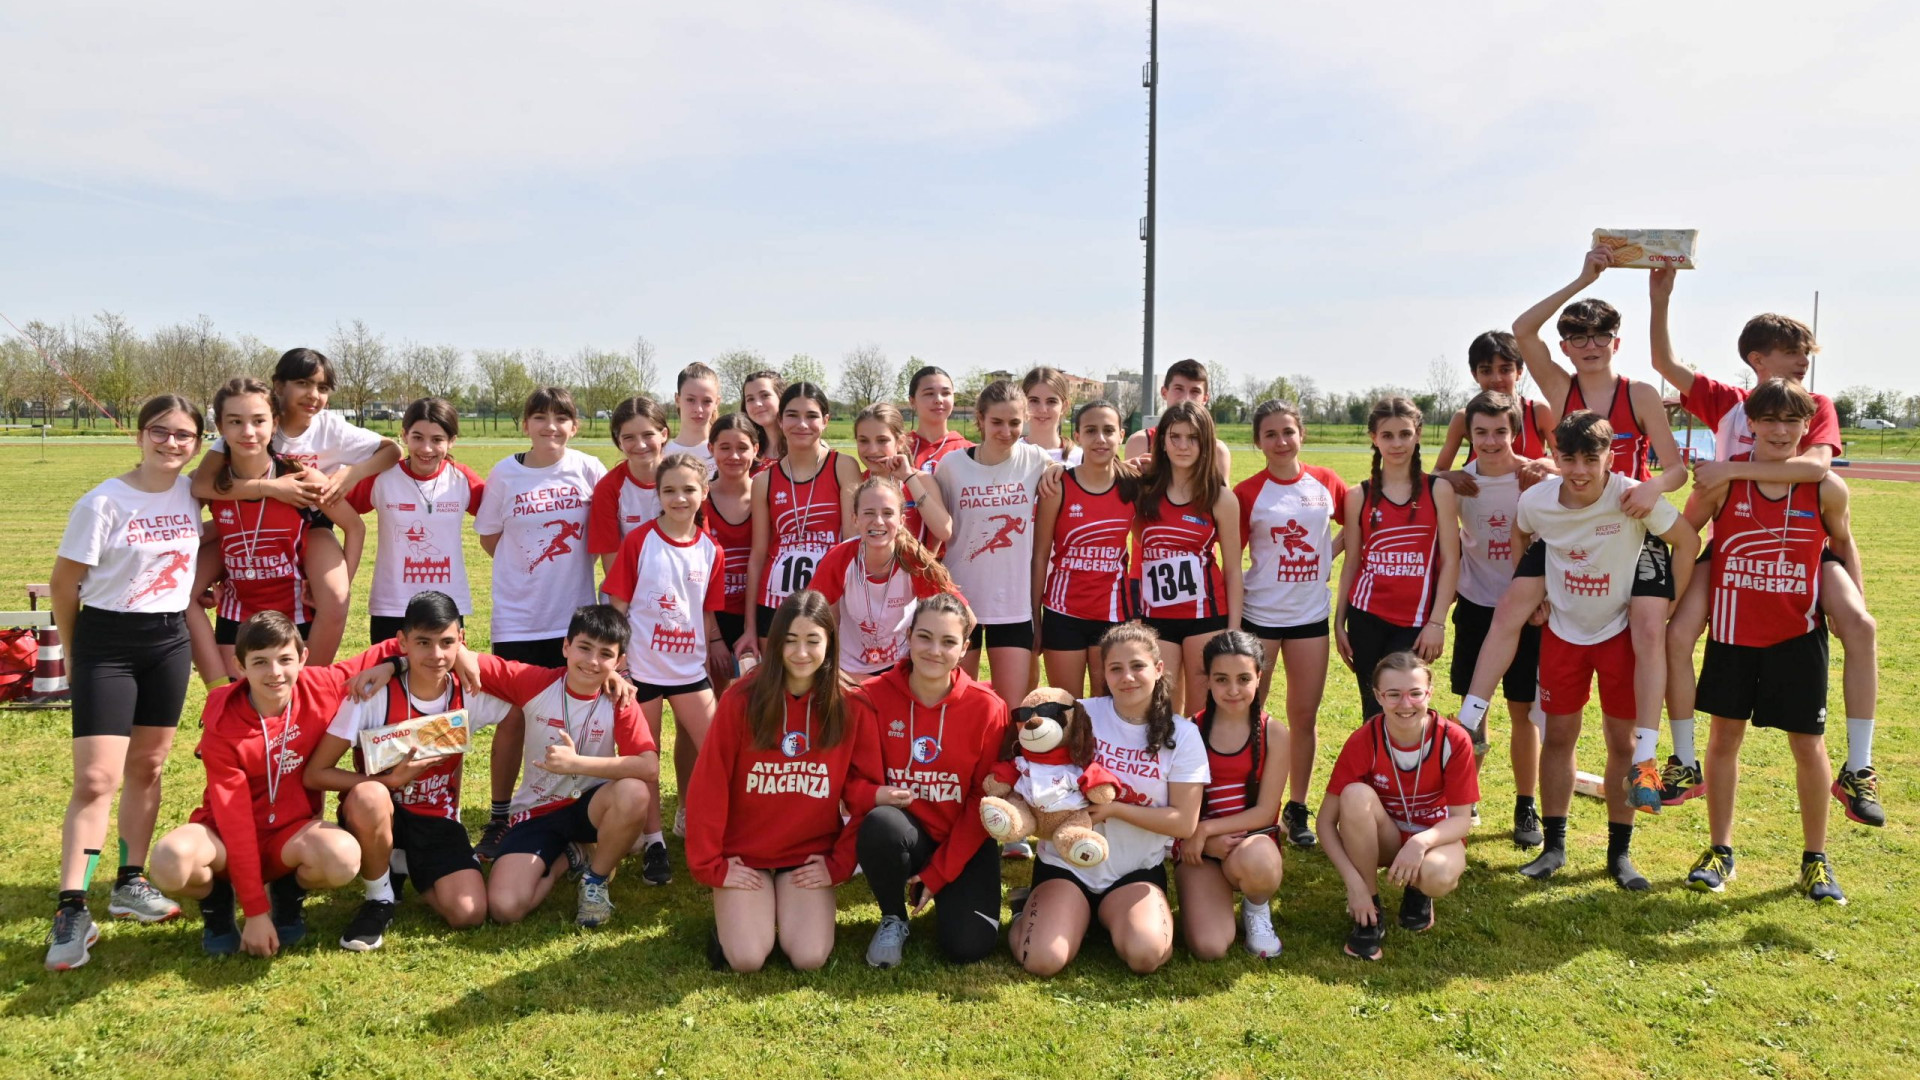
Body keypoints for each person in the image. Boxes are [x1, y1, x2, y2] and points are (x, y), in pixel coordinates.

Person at [1648, 273, 1882, 826]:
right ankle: (1682, 759)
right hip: (1731, 536)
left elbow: (1816, 466)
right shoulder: (1728, 403)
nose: (1804, 364)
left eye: (1806, 355)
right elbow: (1663, 361)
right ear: (1758, 359)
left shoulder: (1816, 404)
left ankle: (1860, 766)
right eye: (1792, 354)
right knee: (1677, 633)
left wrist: (1729, 465)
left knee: (1861, 626)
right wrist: (1661, 296)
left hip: (1801, 539)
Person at [1481, 411, 1698, 890]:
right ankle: (1554, 847)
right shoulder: (1538, 499)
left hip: (1620, 634)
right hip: (1563, 631)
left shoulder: (1630, 496)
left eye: (1590, 458)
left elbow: (1686, 540)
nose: (1579, 469)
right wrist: (1532, 591)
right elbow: (1519, 535)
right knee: (1559, 737)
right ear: (1555, 456)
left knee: (1621, 743)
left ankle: (1619, 854)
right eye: (1569, 457)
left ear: (1610, 457)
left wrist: (1669, 604)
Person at [1514, 247, 1691, 799]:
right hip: (1573, 534)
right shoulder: (1560, 386)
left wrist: (1652, 485)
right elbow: (1523, 329)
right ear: (1566, 346)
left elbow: (1677, 466)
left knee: (1647, 635)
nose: (1589, 345)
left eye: (1600, 335)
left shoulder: (1638, 393)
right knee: (1519, 614)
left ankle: (1644, 757)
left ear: (1617, 341)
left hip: (1630, 528)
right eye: (1578, 337)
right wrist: (1585, 277)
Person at [44, 395, 206, 971]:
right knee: (95, 778)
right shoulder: (103, 502)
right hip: (105, 643)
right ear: (138, 436)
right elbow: (65, 584)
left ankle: (129, 882)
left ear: (196, 444)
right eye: (160, 432)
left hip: (168, 641)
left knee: (149, 767)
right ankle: (72, 907)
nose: (171, 443)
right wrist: (75, 648)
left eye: (184, 435)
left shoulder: (193, 493)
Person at [1680, 380, 1855, 903]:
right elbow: (1686, 537)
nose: (1780, 431)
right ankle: (1720, 849)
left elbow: (1842, 544)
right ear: (1749, 424)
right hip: (1734, 632)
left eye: (1792, 421)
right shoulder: (1721, 485)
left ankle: (1815, 860)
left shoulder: (1825, 488)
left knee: (1808, 746)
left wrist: (1855, 605)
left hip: (1797, 635)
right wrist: (1670, 601)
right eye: (1769, 420)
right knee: (1724, 740)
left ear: (1808, 427)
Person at [148, 613, 401, 957]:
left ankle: (287, 892)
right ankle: (216, 904)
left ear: (303, 658)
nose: (275, 673)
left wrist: (392, 667)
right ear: (239, 665)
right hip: (225, 835)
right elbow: (234, 820)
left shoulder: (322, 686)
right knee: (169, 860)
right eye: (260, 662)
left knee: (342, 857)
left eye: (285, 659)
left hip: (291, 835)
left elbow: (399, 645)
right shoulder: (223, 722)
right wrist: (254, 912)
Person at [686, 590, 884, 973]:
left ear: (830, 641)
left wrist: (838, 864)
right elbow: (709, 787)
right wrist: (714, 866)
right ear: (775, 643)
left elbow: (865, 795)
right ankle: (734, 921)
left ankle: (776, 907)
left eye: (813, 641)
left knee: (809, 957)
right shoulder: (741, 700)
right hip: (744, 854)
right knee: (747, 959)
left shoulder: (851, 704)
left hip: (806, 855)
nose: (801, 653)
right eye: (790, 641)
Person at [304, 591, 509, 947]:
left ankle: (404, 865)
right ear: (402, 642)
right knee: (371, 795)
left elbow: (515, 716)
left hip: (435, 819)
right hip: (378, 812)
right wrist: (387, 780)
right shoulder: (372, 693)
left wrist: (501, 807)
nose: (436, 655)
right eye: (423, 643)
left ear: (461, 641)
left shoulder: (468, 690)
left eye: (447, 643)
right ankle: (379, 897)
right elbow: (316, 773)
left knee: (469, 913)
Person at [1009, 622, 1207, 977]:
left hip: (1133, 873)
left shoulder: (1184, 735)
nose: (1127, 677)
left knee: (1146, 955)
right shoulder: (1080, 713)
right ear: (1103, 672)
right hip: (1066, 867)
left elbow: (1184, 822)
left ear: (1158, 669)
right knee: (1041, 960)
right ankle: (1034, 911)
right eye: (1116, 668)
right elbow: (1033, 758)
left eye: (1138, 666)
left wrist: (1115, 810)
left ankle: (1103, 919)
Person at [190, 348, 400, 668]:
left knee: (334, 597)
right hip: (243, 525)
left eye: (323, 388)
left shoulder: (330, 428)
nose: (313, 395)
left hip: (309, 522)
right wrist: (273, 488)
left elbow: (392, 451)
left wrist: (349, 473)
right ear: (278, 385)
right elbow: (202, 485)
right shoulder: (249, 424)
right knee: (183, 582)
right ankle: (220, 688)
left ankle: (311, 681)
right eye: (302, 383)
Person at [471, 386, 608, 860]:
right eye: (540, 417)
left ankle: (563, 812)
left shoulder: (589, 469)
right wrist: (528, 572)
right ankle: (499, 815)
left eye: (562, 418)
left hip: (573, 619)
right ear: (524, 423)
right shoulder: (505, 474)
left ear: (576, 425)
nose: (551, 426)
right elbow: (491, 538)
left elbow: (605, 532)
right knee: (514, 718)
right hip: (519, 619)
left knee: (572, 718)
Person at [474, 605, 658, 927]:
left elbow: (649, 768)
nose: (592, 661)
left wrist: (577, 763)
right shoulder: (533, 681)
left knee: (634, 792)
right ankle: (571, 857)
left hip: (591, 809)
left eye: (605, 655)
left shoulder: (620, 700)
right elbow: (456, 653)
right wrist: (395, 662)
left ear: (620, 662)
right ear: (565, 647)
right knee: (505, 908)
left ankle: (596, 882)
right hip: (538, 811)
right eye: (584, 648)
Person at [856, 593, 1009, 967]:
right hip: (906, 835)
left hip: (964, 839)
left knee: (967, 947)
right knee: (881, 824)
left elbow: (982, 799)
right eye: (924, 637)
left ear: (965, 648)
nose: (934, 651)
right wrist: (874, 793)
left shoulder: (988, 708)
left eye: (948, 641)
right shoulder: (870, 697)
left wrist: (940, 873)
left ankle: (988, 899)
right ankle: (893, 915)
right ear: (908, 636)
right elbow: (851, 780)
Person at [601, 452, 728, 887]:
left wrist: (717, 648)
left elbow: (707, 614)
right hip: (643, 672)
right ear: (657, 494)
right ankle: (654, 841)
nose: (679, 498)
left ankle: (711, 830)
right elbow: (616, 607)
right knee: (646, 762)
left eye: (689, 489)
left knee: (718, 751)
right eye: (669, 490)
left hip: (691, 672)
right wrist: (617, 664)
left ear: (703, 493)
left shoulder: (712, 550)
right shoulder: (639, 541)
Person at [1234, 398, 1347, 849]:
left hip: (1309, 618)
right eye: (1270, 434)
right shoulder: (1247, 493)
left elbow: (1354, 526)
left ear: (1302, 433)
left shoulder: (1326, 483)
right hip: (1259, 617)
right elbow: (1231, 554)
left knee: (1304, 716)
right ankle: (1248, 801)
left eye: (1288, 431)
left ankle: (1297, 806)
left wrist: (1327, 556)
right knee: (1246, 716)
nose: (1281, 441)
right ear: (1258, 441)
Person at [1318, 653, 1477, 961]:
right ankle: (1370, 909)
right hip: (1385, 838)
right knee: (1354, 795)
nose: (1406, 704)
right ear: (1378, 696)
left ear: (1429, 692)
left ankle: (1419, 892)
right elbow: (1325, 823)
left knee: (1438, 874)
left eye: (1415, 693)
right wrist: (1355, 884)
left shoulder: (1453, 739)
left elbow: (1461, 821)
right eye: (1393, 694)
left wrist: (1421, 842)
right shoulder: (1365, 739)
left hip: (1434, 838)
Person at [1448, 392, 1546, 848]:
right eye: (1481, 432)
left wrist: (1544, 596)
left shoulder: (1536, 476)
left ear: (1515, 432)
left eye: (1500, 432)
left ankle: (1526, 805)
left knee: (1522, 712)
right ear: (1468, 433)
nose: (1491, 441)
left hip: (1526, 611)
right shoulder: (1456, 484)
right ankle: (1464, 802)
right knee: (1474, 710)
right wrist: (1444, 475)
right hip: (1475, 606)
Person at [1334, 397, 1459, 720]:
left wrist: (1437, 622)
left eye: (1404, 434)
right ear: (1374, 438)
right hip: (1365, 618)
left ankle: (1412, 770)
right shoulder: (1358, 495)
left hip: (1416, 623)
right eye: (1387, 435)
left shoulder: (1438, 491)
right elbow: (1352, 563)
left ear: (1418, 434)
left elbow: (1451, 562)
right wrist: (1339, 623)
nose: (1397, 443)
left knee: (1408, 708)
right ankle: (1376, 771)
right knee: (1373, 711)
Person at [934, 380, 1052, 709]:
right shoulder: (952, 466)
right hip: (960, 601)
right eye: (997, 422)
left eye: (1015, 422)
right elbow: (931, 521)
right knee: (957, 704)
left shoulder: (1037, 460)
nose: (1006, 430)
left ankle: (1005, 762)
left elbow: (1085, 478)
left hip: (1013, 605)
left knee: (1012, 708)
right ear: (980, 419)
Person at [1177, 632, 1287, 960]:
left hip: (1250, 843)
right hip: (1199, 851)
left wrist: (1209, 829)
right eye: (1222, 679)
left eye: (1243, 678)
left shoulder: (1274, 732)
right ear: (1207, 680)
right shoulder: (1188, 730)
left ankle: (1256, 909)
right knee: (1210, 947)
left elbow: (1266, 812)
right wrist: (1198, 840)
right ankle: (1216, 895)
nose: (1233, 690)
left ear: (1259, 677)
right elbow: (1175, 802)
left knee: (1260, 862)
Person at [343, 397, 484, 644]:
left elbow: (504, 517)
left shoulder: (462, 479)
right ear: (404, 435)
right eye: (417, 437)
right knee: (387, 678)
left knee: (443, 679)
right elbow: (332, 508)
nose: (426, 449)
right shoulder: (382, 478)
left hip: (447, 606)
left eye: (437, 439)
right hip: (392, 605)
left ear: (452, 441)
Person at [1132, 401, 1243, 715]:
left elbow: (1233, 569)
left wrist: (1233, 630)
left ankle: (1202, 765)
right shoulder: (1143, 491)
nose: (1183, 445)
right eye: (1175, 436)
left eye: (1192, 438)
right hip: (1156, 618)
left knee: (1203, 713)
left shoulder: (1220, 498)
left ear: (1205, 443)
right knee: (1161, 709)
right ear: (1162, 442)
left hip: (1205, 617)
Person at [740, 382, 862, 658]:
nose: (802, 424)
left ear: (826, 420)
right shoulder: (763, 481)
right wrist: (749, 627)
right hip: (774, 603)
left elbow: (854, 543)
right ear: (780, 420)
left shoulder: (842, 467)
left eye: (811, 416)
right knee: (777, 693)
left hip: (827, 603)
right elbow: (758, 556)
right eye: (793, 415)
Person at [1034, 400, 1136, 698]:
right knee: (1068, 708)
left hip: (1114, 615)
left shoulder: (1134, 486)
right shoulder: (1058, 485)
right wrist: (1035, 618)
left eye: (1108, 431)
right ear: (1077, 436)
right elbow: (1040, 556)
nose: (1100, 439)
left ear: (1122, 435)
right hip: (1062, 613)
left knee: (1110, 709)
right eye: (1091, 430)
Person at [809, 477, 958, 678]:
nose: (878, 521)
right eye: (868, 513)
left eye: (887, 513)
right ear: (855, 519)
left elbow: (965, 618)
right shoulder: (840, 558)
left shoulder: (913, 559)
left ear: (901, 521)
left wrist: (930, 668)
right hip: (848, 670)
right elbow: (809, 620)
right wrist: (835, 674)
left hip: (902, 670)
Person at [1432, 331, 1557, 487]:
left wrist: (1545, 463)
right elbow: (1437, 471)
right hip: (1482, 510)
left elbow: (1567, 461)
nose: (1496, 379)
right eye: (1486, 371)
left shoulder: (1538, 412)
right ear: (1475, 375)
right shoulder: (1464, 418)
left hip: (1533, 509)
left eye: (1505, 370)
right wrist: (1447, 476)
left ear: (1519, 372)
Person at [705, 413, 759, 693]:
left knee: (756, 704)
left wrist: (751, 628)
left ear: (756, 449)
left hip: (756, 613)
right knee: (708, 710)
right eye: (724, 447)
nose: (734, 455)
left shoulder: (768, 496)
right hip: (712, 615)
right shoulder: (699, 500)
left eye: (742, 447)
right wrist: (714, 638)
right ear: (710, 449)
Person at [853, 401, 953, 550]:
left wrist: (908, 478)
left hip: (914, 571)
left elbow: (944, 532)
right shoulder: (857, 483)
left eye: (882, 440)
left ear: (899, 442)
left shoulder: (921, 480)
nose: (872, 450)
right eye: (863, 441)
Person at [587, 395, 670, 575]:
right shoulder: (608, 488)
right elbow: (612, 564)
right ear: (619, 441)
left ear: (664, 435)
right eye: (629, 437)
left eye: (648, 435)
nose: (640, 445)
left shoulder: (685, 480)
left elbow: (698, 546)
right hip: (627, 594)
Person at [1123, 358, 1232, 472]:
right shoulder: (1140, 442)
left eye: (1195, 391)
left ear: (1205, 398)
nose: (1186, 398)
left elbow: (1220, 489)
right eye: (1179, 389)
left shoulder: (1217, 450)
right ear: (1164, 393)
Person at [906, 365, 975, 473]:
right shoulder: (898, 448)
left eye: (946, 393)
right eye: (929, 393)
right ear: (912, 401)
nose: (939, 400)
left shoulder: (970, 452)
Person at [1019, 367, 1082, 464]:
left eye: (1051, 401)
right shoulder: (1009, 453)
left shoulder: (1079, 458)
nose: (1042, 410)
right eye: (1034, 400)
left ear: (1064, 406)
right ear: (1022, 403)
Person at [667, 362, 722, 472]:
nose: (699, 409)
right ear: (677, 400)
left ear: (716, 403)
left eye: (706, 401)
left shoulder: (726, 451)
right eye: (691, 400)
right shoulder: (662, 454)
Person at [739, 368, 787, 464]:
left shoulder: (804, 448)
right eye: (750, 399)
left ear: (781, 397)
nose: (757, 404)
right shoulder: (746, 451)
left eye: (765, 395)